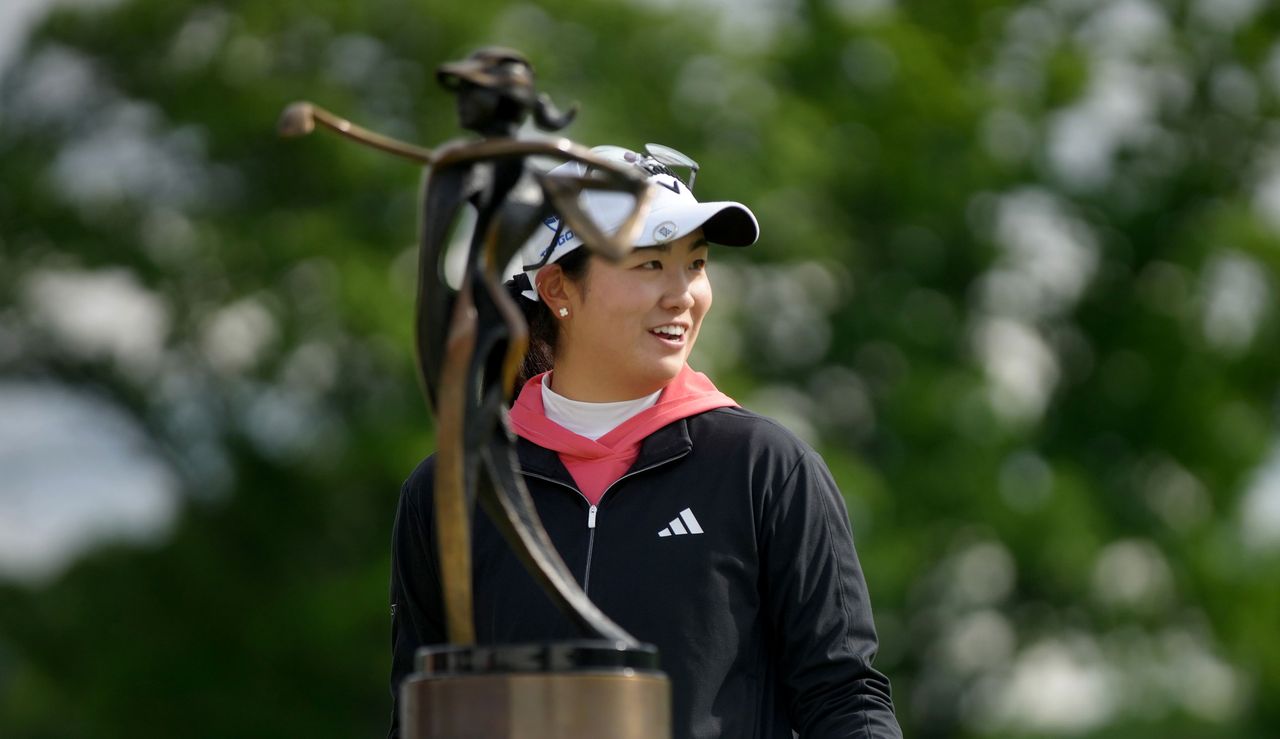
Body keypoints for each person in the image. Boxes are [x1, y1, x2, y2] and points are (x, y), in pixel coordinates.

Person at [388, 144, 902, 738]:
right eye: (649, 264)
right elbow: (419, 713)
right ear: (557, 288)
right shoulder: (453, 489)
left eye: (697, 263)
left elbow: (843, 698)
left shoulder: (765, 468)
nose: (682, 293)